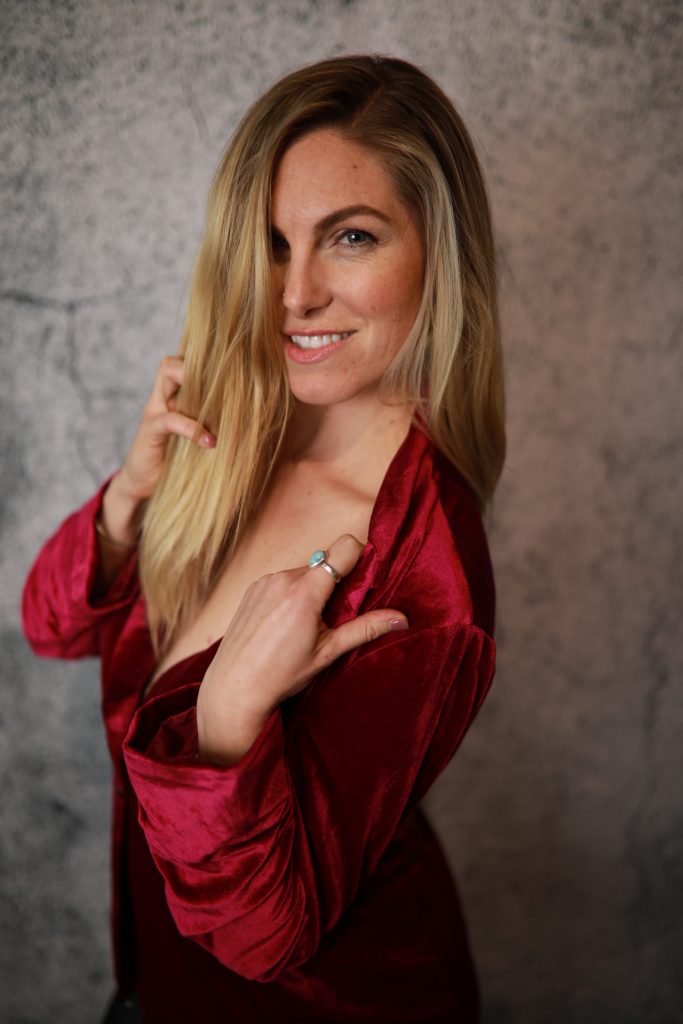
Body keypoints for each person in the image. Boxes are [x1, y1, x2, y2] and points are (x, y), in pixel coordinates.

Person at [22, 54, 505, 1023]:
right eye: (276, 245)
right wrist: (128, 500)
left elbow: (264, 931)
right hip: (156, 984)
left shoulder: (424, 564)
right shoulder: (233, 428)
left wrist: (230, 713)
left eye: (351, 237)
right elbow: (49, 626)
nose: (294, 293)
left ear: (437, 256)